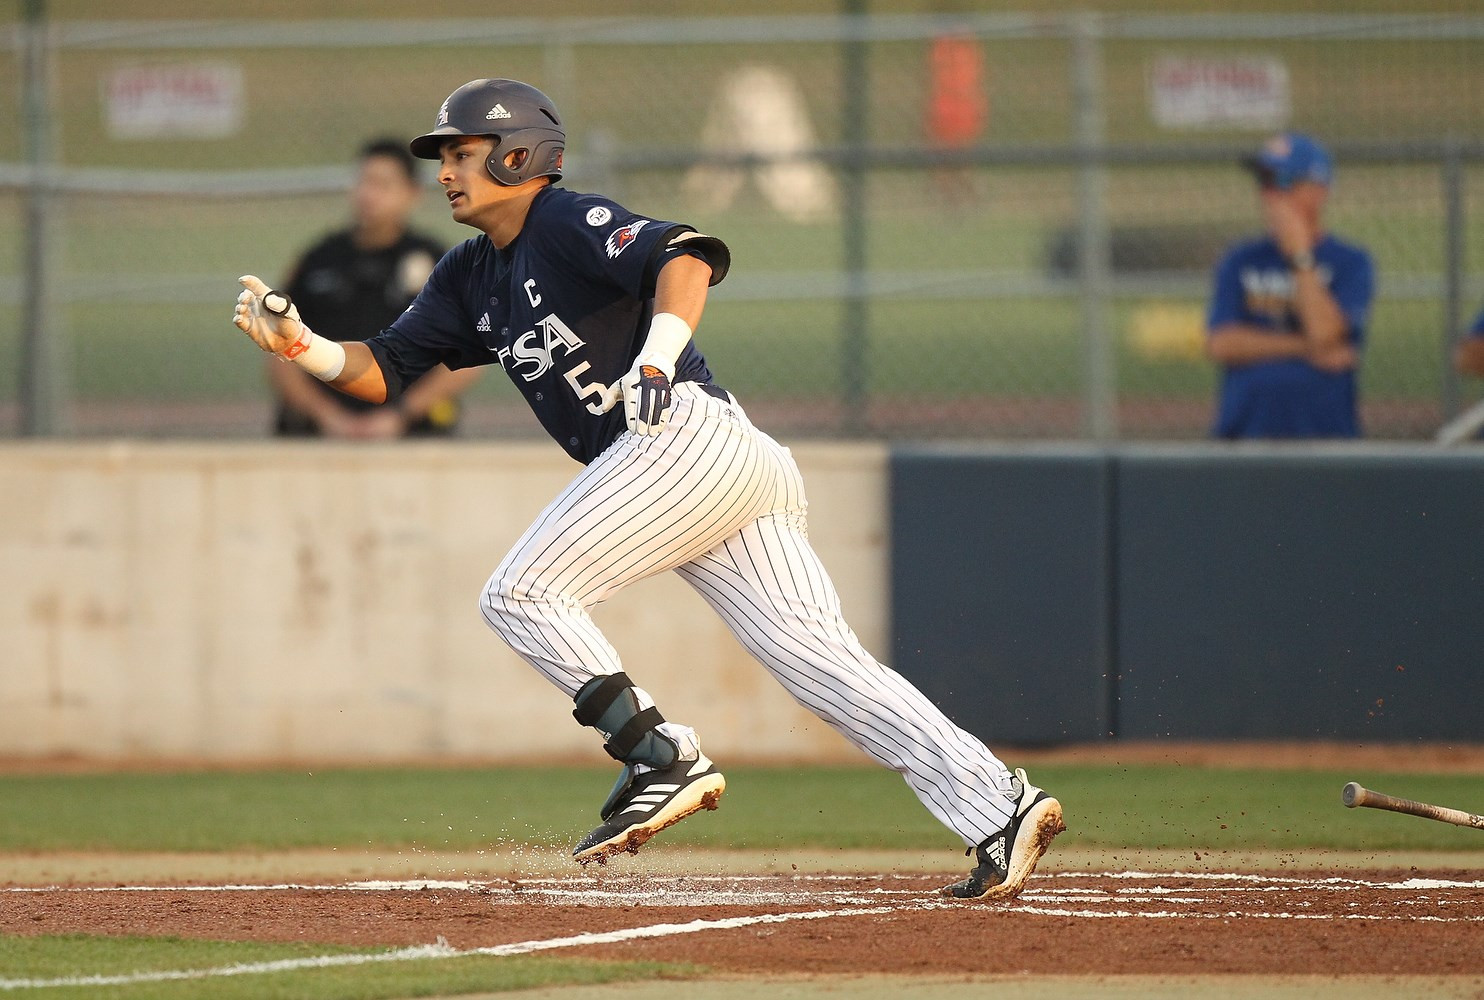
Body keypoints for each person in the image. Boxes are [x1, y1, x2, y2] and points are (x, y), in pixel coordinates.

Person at [230, 79, 1063, 900]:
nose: (446, 170)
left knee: (521, 593)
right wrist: (302, 345)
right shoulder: (466, 275)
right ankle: (1000, 806)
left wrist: (658, 356)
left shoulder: (559, 219)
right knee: (827, 670)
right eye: (442, 156)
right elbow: (386, 368)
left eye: (463, 151)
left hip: (681, 439)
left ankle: (661, 757)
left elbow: (687, 255)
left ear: (519, 153)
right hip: (709, 467)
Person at [269, 139, 479, 439]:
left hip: (413, 435)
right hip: (320, 435)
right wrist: (329, 417)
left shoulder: (438, 262)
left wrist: (400, 415)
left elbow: (468, 357)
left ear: (412, 193)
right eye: (364, 181)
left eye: (383, 185)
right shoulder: (317, 259)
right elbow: (279, 351)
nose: (368, 194)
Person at [1204, 132, 1375, 438]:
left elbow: (1327, 331)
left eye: (1282, 183)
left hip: (1324, 434)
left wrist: (1300, 257)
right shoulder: (1241, 259)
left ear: (1318, 191)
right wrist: (1306, 347)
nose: (1269, 195)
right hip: (1246, 432)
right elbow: (1222, 343)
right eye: (1263, 184)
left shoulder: (1350, 261)